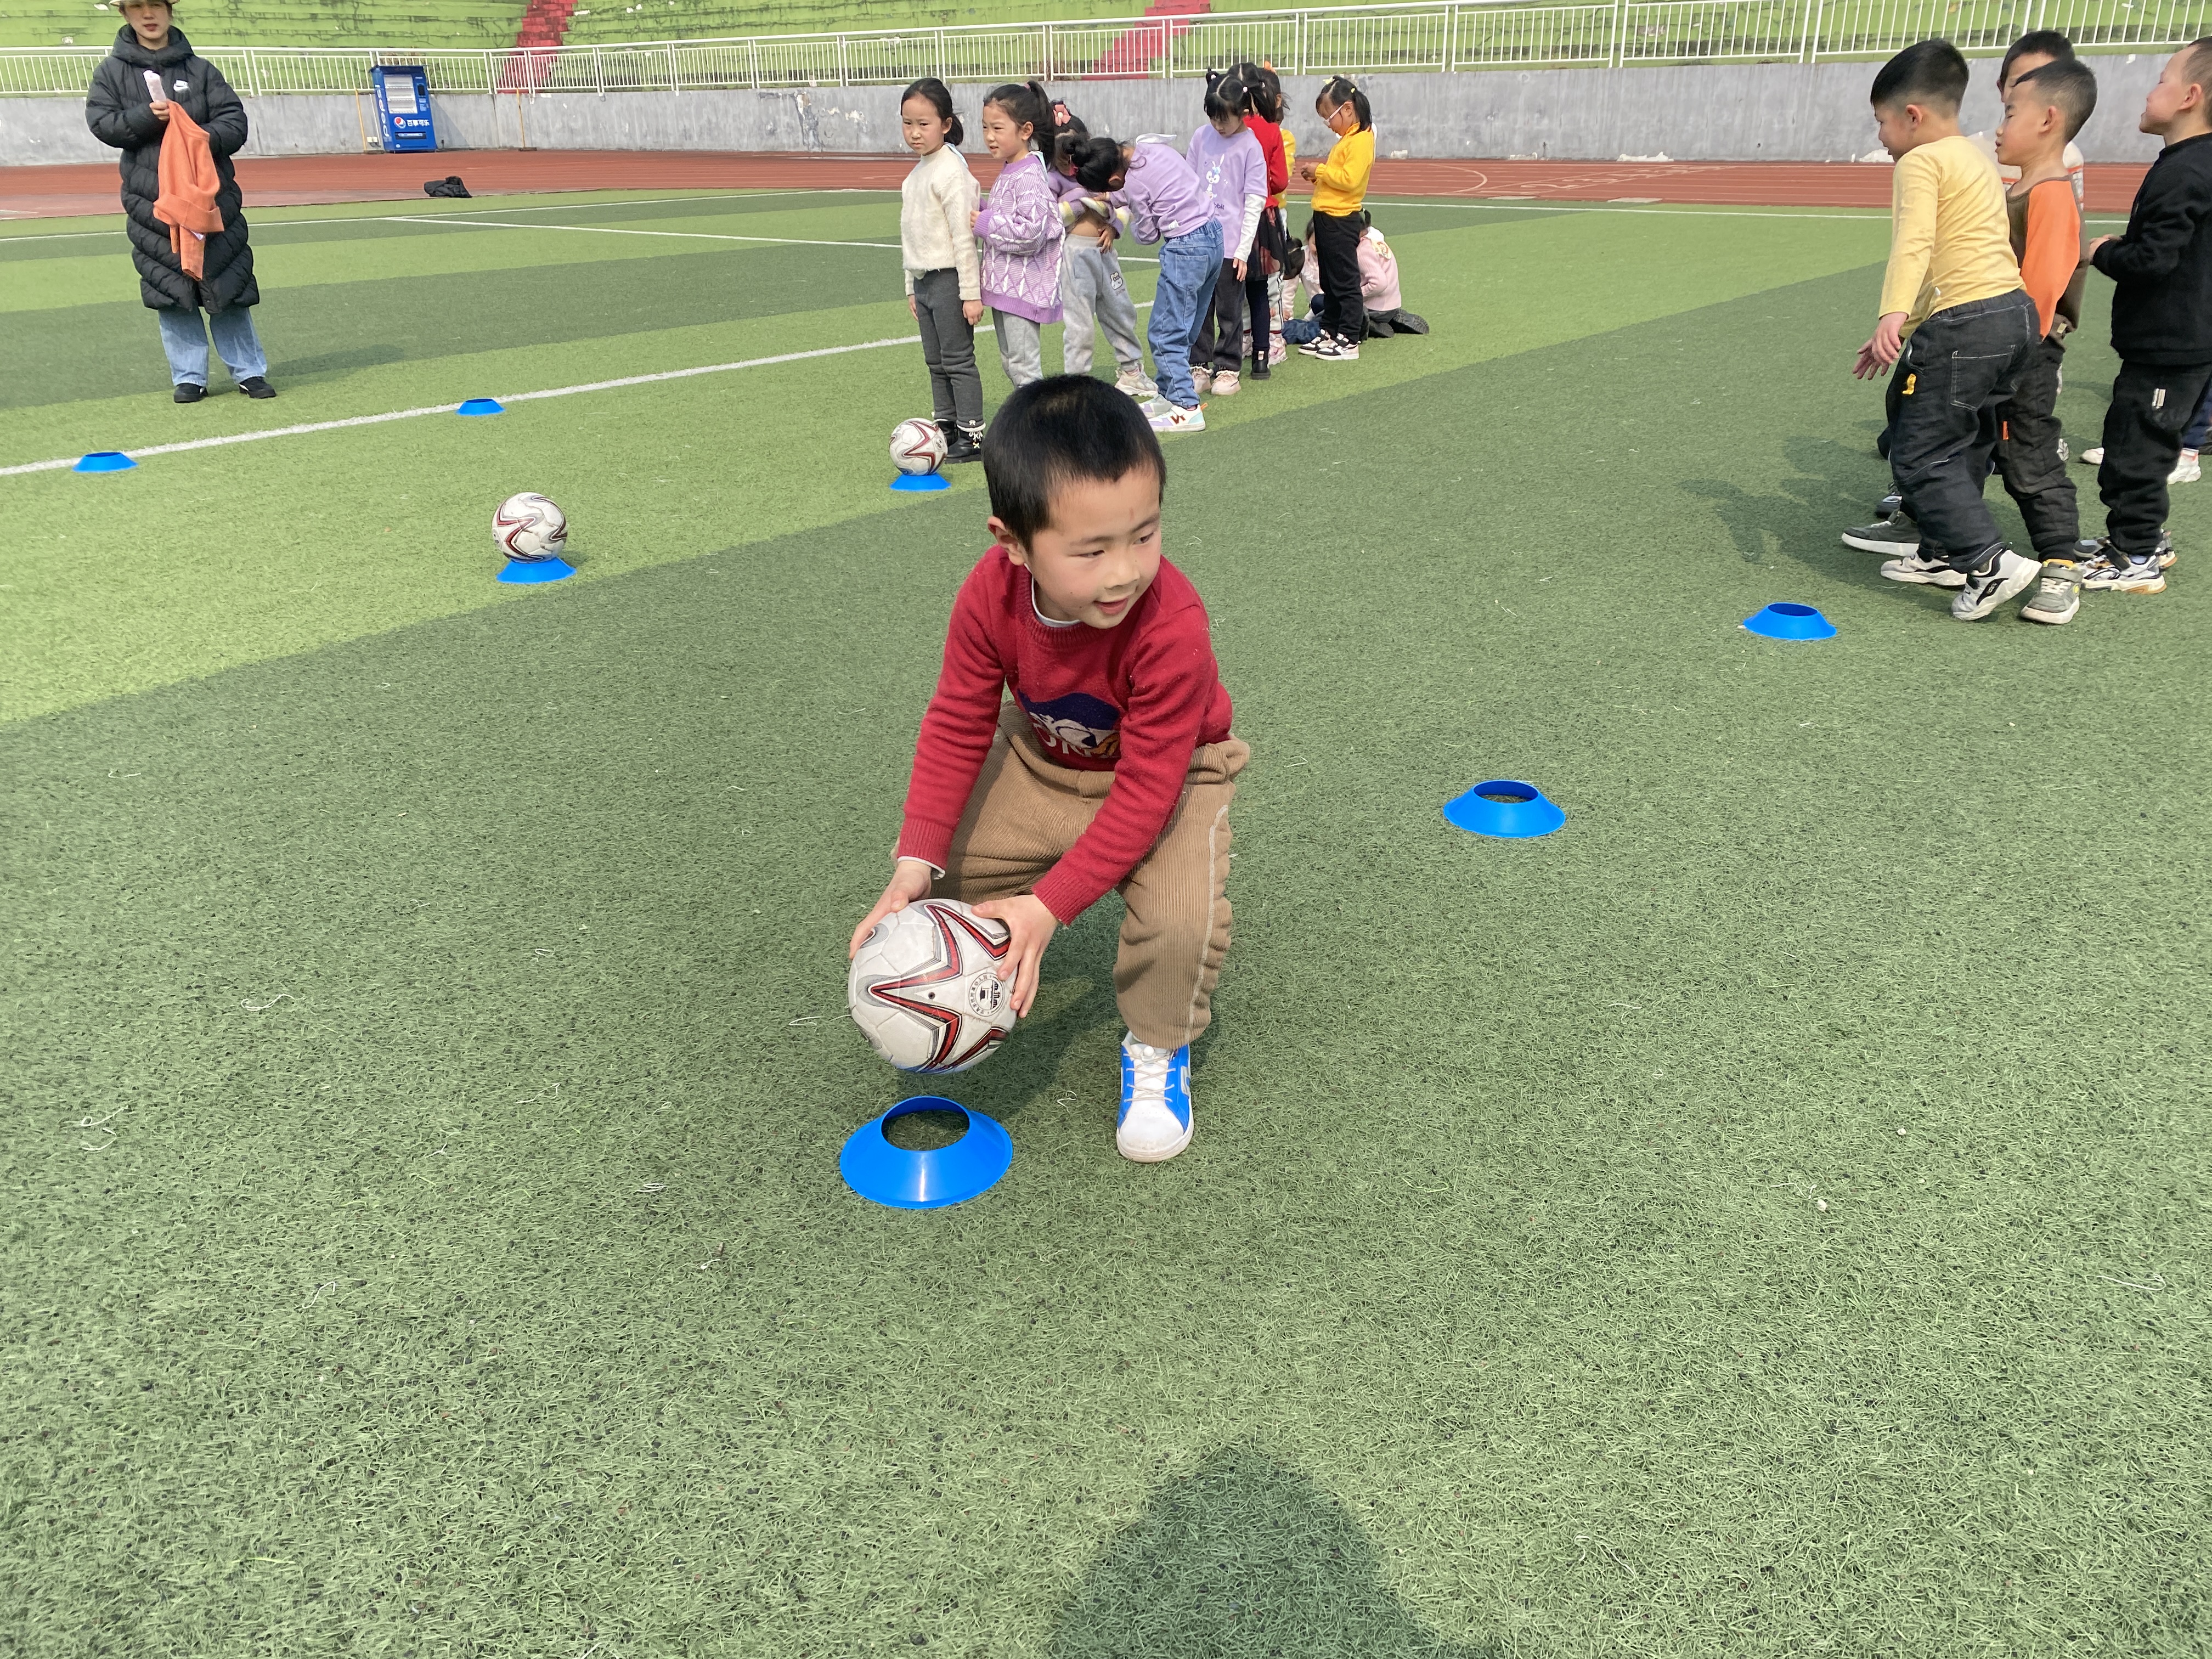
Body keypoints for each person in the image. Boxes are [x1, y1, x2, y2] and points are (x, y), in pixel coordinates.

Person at [848, 375, 1245, 1164]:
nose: (1124, 571)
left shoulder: (1171, 627)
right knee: (945, 880)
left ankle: (1159, 1044)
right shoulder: (989, 593)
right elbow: (958, 719)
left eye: (1144, 535)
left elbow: (1146, 793)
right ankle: (997, 948)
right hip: (1044, 759)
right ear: (1014, 542)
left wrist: (1051, 905)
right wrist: (916, 859)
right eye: (1091, 550)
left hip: (1173, 778)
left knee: (1179, 923)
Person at [1848, 58, 2100, 624]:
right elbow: (1958, 259)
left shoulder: (1921, 161)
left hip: (1967, 324)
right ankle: (1945, 553)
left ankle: (1989, 563)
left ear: (1912, 116)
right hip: (2012, 315)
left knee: (1919, 452)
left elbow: (1915, 244)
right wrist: (1903, 328)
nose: (1881, 137)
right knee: (1966, 441)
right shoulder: (1976, 158)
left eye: (1882, 122)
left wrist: (1892, 313)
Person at [84, 0, 272, 404]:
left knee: (227, 281)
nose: (147, 14)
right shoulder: (111, 72)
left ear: (170, 10)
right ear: (125, 14)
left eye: (156, 4)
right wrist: (146, 117)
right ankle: (189, 377)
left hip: (211, 195)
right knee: (171, 290)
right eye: (137, 6)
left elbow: (234, 123)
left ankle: (249, 371)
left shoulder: (201, 70)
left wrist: (198, 136)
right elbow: (103, 123)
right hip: (151, 199)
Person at [2078, 38, 2212, 595]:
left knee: (2135, 451)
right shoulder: (2193, 164)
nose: (2150, 91)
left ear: (2190, 96)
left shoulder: (2185, 171)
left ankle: (2134, 555)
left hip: (2169, 343)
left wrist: (2104, 252)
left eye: (2161, 80)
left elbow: (2153, 261)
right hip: (2185, 339)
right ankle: (2145, 539)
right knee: (2145, 444)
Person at [1071, 132, 1223, 435]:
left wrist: (1121, 208)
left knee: (1165, 333)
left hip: (1185, 249)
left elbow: (1147, 235)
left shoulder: (1133, 183)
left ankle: (1185, 407)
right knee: (1186, 327)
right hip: (1213, 237)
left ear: (1115, 180)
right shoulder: (1152, 147)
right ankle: (1168, 394)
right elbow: (1149, 186)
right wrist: (1117, 197)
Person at [899, 78, 984, 464]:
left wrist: (971, 294)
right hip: (925, 281)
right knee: (935, 362)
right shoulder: (915, 175)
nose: (915, 133)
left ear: (946, 124)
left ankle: (972, 433)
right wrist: (911, 286)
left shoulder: (951, 171)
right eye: (908, 123)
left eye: (924, 124)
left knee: (958, 360)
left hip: (950, 280)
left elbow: (964, 238)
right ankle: (946, 426)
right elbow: (910, 234)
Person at [1045, 116, 1156, 402]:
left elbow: (1122, 203)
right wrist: (1079, 201)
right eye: (1062, 159)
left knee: (1120, 309)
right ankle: (1077, 382)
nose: (1070, 166)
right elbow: (1050, 218)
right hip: (1076, 256)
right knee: (1079, 322)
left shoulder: (1096, 168)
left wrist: (1114, 227)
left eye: (1074, 158)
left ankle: (1132, 371)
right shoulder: (1052, 179)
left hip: (1105, 252)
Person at [973, 80, 1064, 395]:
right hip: (1005, 287)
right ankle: (1028, 420)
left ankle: (1040, 424)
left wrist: (985, 222)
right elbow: (1009, 217)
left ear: (1025, 131)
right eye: (985, 127)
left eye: (998, 128)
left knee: (1025, 370)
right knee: (1013, 365)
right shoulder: (1012, 169)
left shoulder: (1028, 175)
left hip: (1022, 291)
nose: (989, 136)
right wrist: (982, 208)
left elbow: (1031, 233)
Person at [1187, 70, 1266, 398]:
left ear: (1243, 112)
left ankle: (1228, 368)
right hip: (1198, 240)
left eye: (1225, 119)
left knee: (1230, 311)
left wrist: (1243, 251)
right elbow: (1188, 185)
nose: (1218, 126)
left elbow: (1254, 201)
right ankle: (1199, 366)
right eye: (1213, 118)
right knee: (1199, 308)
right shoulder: (1200, 137)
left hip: (1231, 246)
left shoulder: (1251, 147)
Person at [1295, 76, 1376, 362]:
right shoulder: (1348, 139)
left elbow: (1350, 180)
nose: (1328, 124)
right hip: (1328, 216)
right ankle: (1329, 330)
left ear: (1348, 109)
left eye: (1329, 117)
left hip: (1342, 219)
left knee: (1345, 281)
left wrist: (1319, 171)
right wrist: (1318, 177)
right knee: (1329, 280)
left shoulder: (1362, 139)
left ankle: (1349, 337)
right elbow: (1338, 179)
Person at [1970, 30, 2089, 205]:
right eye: (2019, 84)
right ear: (2001, 89)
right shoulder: (1973, 152)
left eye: (2043, 86)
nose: (2027, 95)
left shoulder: (2069, 158)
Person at [1231, 64, 1290, 381]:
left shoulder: (1225, 129)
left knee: (1230, 288)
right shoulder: (1270, 130)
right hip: (1263, 217)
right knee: (1262, 288)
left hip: (1232, 218)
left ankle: (1235, 346)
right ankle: (1264, 354)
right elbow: (1280, 181)